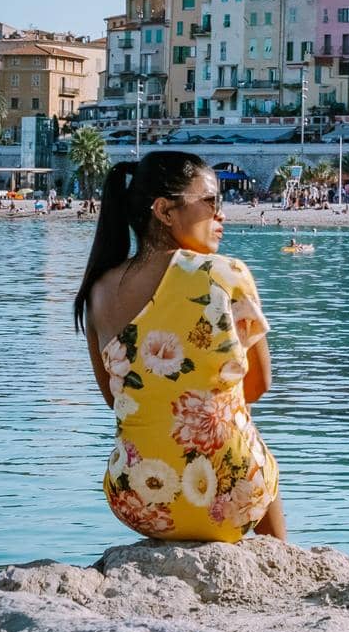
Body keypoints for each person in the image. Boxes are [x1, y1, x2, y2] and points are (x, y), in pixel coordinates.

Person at [74, 152, 285, 543]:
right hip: (231, 497)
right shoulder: (227, 274)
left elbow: (114, 398)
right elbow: (259, 387)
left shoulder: (97, 291)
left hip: (135, 498)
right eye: (211, 202)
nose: (221, 214)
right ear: (165, 210)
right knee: (240, 428)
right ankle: (281, 556)